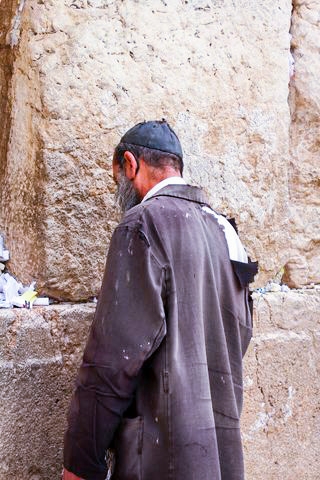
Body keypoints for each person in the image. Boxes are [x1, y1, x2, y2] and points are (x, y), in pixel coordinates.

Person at [63, 120, 258, 480]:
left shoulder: (141, 225)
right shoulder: (226, 232)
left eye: (116, 178)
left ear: (130, 165)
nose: (118, 191)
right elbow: (238, 338)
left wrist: (80, 461)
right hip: (219, 457)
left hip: (161, 457)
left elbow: (112, 360)